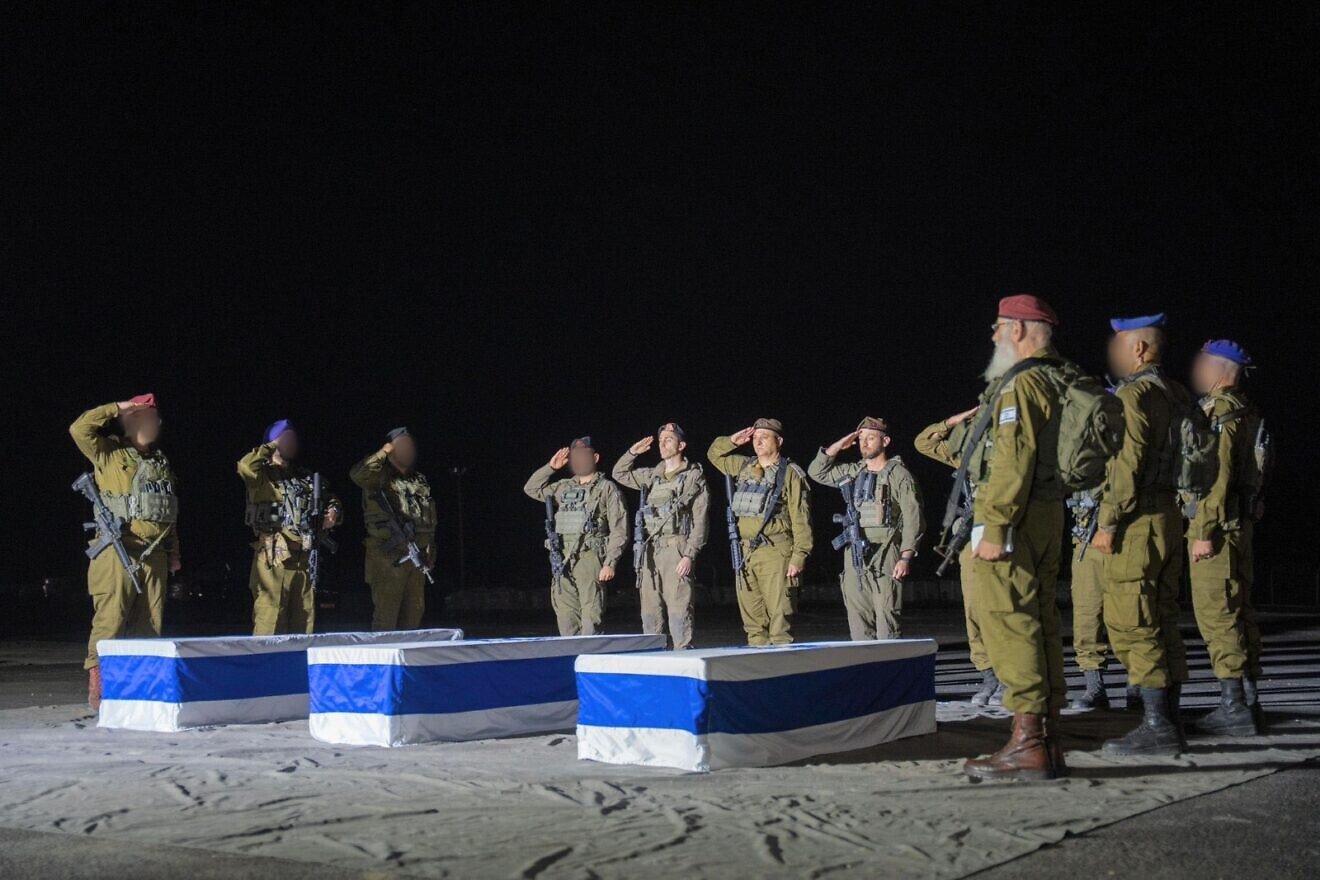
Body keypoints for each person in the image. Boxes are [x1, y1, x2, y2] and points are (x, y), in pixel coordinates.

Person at [962, 295, 1073, 782]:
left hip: (1017, 518)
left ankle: (1027, 743)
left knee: (1010, 621)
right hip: (1048, 514)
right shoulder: (1059, 377)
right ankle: (1045, 736)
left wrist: (994, 524)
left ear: (1021, 331)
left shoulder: (1022, 382)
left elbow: (1011, 457)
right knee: (1041, 621)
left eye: (999, 326)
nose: (993, 336)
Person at [1090, 314, 1191, 756]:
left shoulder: (1134, 394)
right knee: (1164, 616)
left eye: (1118, 344)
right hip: (1171, 515)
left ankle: (1157, 725)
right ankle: (1170, 715)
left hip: (1137, 519)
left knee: (1132, 619)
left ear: (1139, 349)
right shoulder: (1177, 393)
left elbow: (1125, 466)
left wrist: (1108, 522)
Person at [70, 394, 181, 710]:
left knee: (150, 624)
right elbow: (79, 429)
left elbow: (168, 511)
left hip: (155, 553)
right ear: (133, 420)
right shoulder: (109, 451)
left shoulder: (160, 463)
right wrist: (118, 407)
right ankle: (100, 689)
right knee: (111, 620)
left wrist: (174, 552)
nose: (155, 424)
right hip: (118, 550)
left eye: (156, 418)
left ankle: (139, 688)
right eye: (148, 417)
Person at [1185, 339, 1264, 736]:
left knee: (1218, 615)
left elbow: (1216, 479)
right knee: (1239, 610)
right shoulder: (1245, 411)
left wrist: (1203, 531)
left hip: (1218, 530)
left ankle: (1234, 706)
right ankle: (1248, 701)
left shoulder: (1220, 414)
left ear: (1219, 369)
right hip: (1238, 526)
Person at [916, 406, 1002, 706]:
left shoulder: (1015, 452)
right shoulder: (963, 454)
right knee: (975, 609)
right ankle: (989, 676)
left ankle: (1012, 676)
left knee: (1005, 609)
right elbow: (923, 442)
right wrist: (952, 420)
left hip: (1008, 535)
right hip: (973, 536)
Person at [808, 417, 924, 640]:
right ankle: (866, 669)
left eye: (870, 438)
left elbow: (914, 517)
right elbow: (817, 472)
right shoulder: (854, 471)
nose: (864, 443)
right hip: (855, 550)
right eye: (861, 439)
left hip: (886, 550)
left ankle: (889, 669)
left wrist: (906, 556)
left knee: (887, 617)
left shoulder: (899, 475)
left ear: (885, 441)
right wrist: (839, 446)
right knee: (858, 619)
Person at [707, 419, 812, 646]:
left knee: (779, 619)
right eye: (755, 437)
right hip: (745, 551)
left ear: (779, 441)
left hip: (776, 550)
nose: (758, 441)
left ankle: (782, 671)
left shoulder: (790, 473)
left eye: (765, 436)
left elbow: (801, 519)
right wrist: (733, 441)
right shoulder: (745, 466)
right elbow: (715, 455)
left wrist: (799, 556)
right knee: (753, 622)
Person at [238, 420, 343, 635]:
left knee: (303, 623)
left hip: (304, 557)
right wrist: (272, 445)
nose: (291, 443)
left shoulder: (306, 478)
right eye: (285, 439)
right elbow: (245, 466)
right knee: (270, 621)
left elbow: (332, 499)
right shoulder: (262, 476)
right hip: (274, 556)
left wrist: (333, 512)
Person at [612, 422, 710, 649]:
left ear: (681, 445)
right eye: (660, 440)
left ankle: (682, 659)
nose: (662, 444)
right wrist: (632, 452)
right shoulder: (652, 476)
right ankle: (654, 661)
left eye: (668, 440)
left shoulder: (693, 478)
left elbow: (700, 521)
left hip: (677, 549)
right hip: (650, 550)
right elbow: (619, 473)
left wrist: (689, 555)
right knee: (650, 611)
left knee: (679, 611)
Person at [524, 437, 628, 636]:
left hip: (590, 556)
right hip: (562, 558)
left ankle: (591, 659)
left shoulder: (606, 488)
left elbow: (619, 529)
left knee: (591, 615)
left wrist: (610, 562)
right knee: (566, 615)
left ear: (594, 457)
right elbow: (531, 489)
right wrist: (551, 468)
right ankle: (570, 659)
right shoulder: (564, 488)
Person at [350, 427, 437, 632]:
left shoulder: (418, 479)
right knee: (386, 617)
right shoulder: (378, 477)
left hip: (418, 557)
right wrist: (384, 451)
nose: (408, 450)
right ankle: (383, 663)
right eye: (402, 445)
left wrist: (430, 549)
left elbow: (429, 520)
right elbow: (357, 474)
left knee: (414, 614)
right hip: (387, 555)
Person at [1066, 486, 1113, 709]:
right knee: (1087, 613)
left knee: (1131, 617)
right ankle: (1094, 685)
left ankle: (1139, 686)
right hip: (1088, 537)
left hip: (1126, 536)